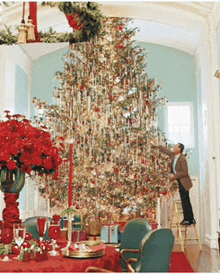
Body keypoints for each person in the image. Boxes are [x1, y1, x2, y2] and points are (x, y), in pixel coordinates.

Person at [157, 143, 196, 225]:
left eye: (176, 146)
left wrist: (174, 176)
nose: (174, 147)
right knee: (184, 200)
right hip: (180, 181)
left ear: (179, 149)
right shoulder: (173, 155)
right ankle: (190, 219)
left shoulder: (182, 159)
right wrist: (158, 145)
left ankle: (188, 219)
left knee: (185, 200)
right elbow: (166, 151)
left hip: (184, 182)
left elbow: (185, 172)